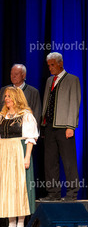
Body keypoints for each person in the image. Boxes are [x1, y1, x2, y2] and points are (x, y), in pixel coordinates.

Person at [0, 87, 39, 227]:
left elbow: (30, 139)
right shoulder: (1, 116)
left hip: (18, 150)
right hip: (3, 152)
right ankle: (11, 222)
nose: (6, 98)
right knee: (6, 186)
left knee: (18, 186)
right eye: (6, 96)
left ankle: (20, 222)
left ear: (17, 98)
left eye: (9, 96)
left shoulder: (25, 115)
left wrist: (27, 157)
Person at [41, 52, 82, 201]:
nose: (50, 68)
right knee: (50, 162)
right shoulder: (49, 81)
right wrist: (43, 124)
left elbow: (74, 103)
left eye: (52, 65)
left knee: (68, 161)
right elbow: (46, 102)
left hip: (64, 126)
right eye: (49, 65)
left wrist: (71, 126)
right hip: (49, 126)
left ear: (61, 64)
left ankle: (72, 193)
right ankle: (53, 193)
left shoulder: (72, 79)